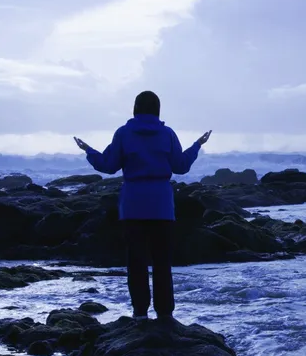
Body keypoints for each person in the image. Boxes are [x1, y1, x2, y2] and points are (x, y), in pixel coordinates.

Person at [73, 90, 211, 322]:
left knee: (136, 262)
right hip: (161, 205)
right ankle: (165, 313)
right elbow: (181, 166)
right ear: (158, 109)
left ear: (135, 108)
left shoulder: (124, 133)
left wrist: (88, 150)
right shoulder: (167, 134)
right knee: (162, 262)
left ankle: (139, 313)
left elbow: (108, 166)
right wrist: (197, 145)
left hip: (133, 204)